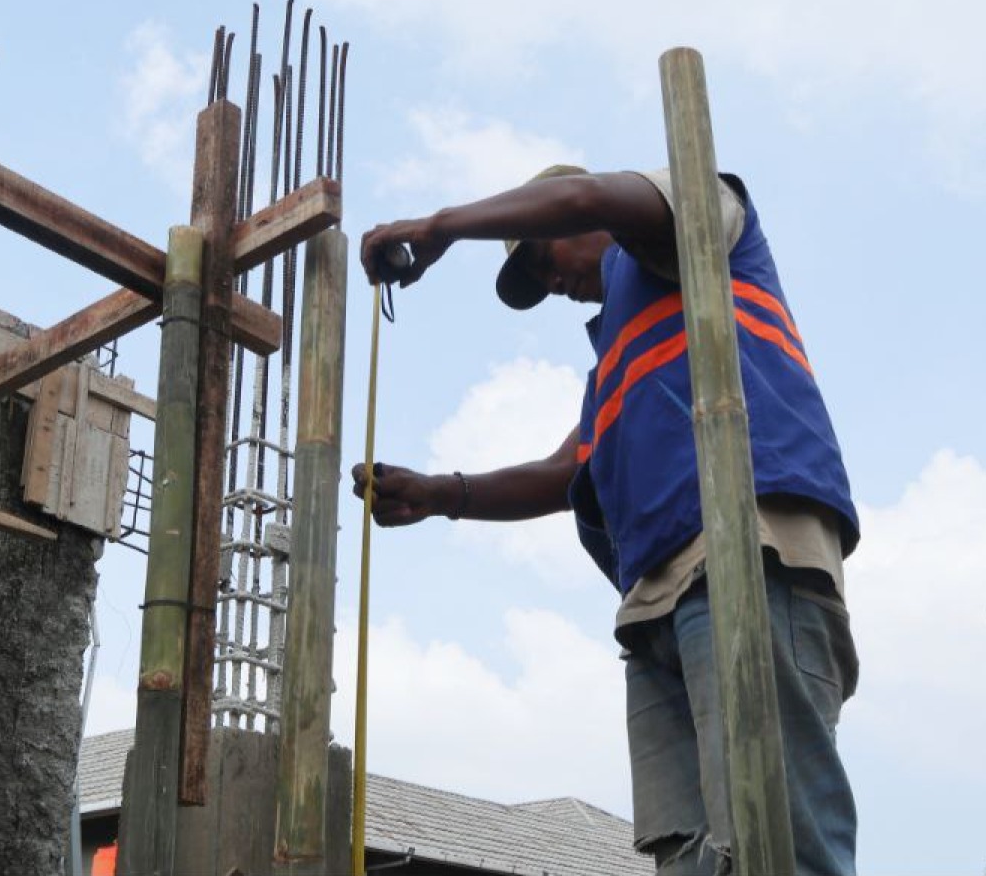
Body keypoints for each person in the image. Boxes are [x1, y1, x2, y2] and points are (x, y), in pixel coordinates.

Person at [352, 165, 860, 876]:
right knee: (690, 854)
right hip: (658, 599)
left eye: (540, 254)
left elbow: (588, 196)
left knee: (777, 834)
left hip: (749, 544)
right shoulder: (614, 353)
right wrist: (444, 492)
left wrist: (441, 228)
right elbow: (568, 472)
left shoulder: (691, 231)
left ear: (570, 216)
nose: (548, 280)